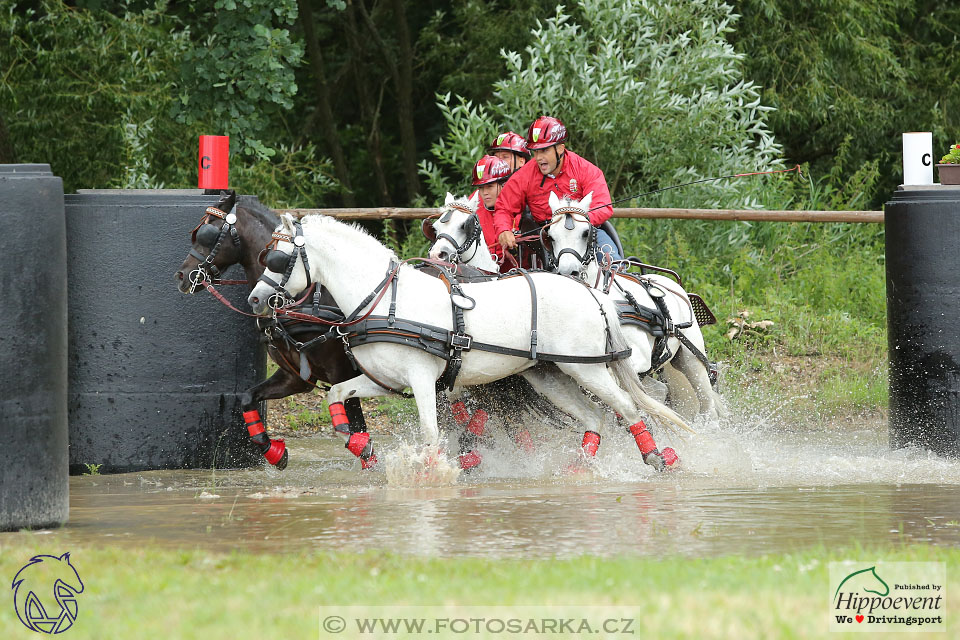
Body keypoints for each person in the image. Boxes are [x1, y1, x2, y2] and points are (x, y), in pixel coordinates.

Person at [494, 115, 623, 263]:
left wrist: (580, 221)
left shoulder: (586, 170)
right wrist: (503, 229)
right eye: (535, 152)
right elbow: (504, 208)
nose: (538, 157)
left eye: (544, 151)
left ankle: (617, 273)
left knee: (613, 261)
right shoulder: (524, 175)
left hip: (583, 231)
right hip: (544, 235)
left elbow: (603, 205)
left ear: (560, 148)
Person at [468, 154, 513, 263]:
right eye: (480, 188)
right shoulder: (473, 205)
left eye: (489, 186)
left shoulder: (518, 206)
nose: (485, 193)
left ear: (504, 185)